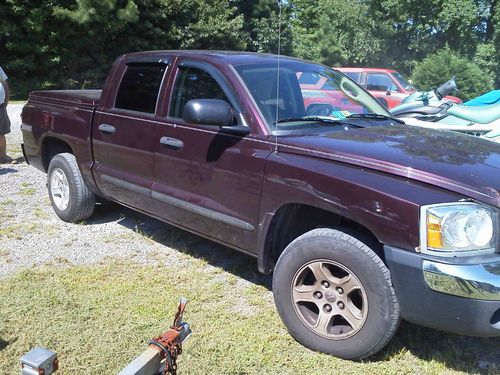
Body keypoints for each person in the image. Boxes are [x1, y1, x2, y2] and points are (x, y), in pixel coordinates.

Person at [0, 65, 12, 163]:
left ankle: (3, 156)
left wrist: (6, 99)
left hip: (0, 105)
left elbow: (4, 83)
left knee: (1, 132)